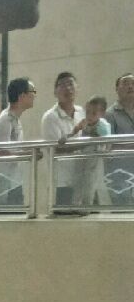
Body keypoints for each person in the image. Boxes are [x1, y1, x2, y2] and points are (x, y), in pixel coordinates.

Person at [40, 71, 86, 210]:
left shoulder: (82, 112)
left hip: (82, 178)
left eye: (70, 84)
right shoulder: (50, 117)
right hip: (62, 182)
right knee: (64, 219)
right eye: (62, 85)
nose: (67, 88)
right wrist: (84, 145)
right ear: (55, 92)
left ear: (77, 88)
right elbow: (57, 148)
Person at [0, 78, 37, 207]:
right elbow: (0, 152)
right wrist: (29, 154)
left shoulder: (15, 119)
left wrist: (28, 152)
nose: (35, 95)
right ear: (22, 96)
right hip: (3, 186)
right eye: (32, 91)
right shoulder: (4, 120)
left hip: (14, 183)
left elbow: (13, 149)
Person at [105, 73, 134, 206]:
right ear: (116, 89)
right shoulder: (109, 114)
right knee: (123, 211)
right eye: (126, 83)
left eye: (133, 83)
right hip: (119, 174)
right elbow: (108, 146)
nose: (130, 86)